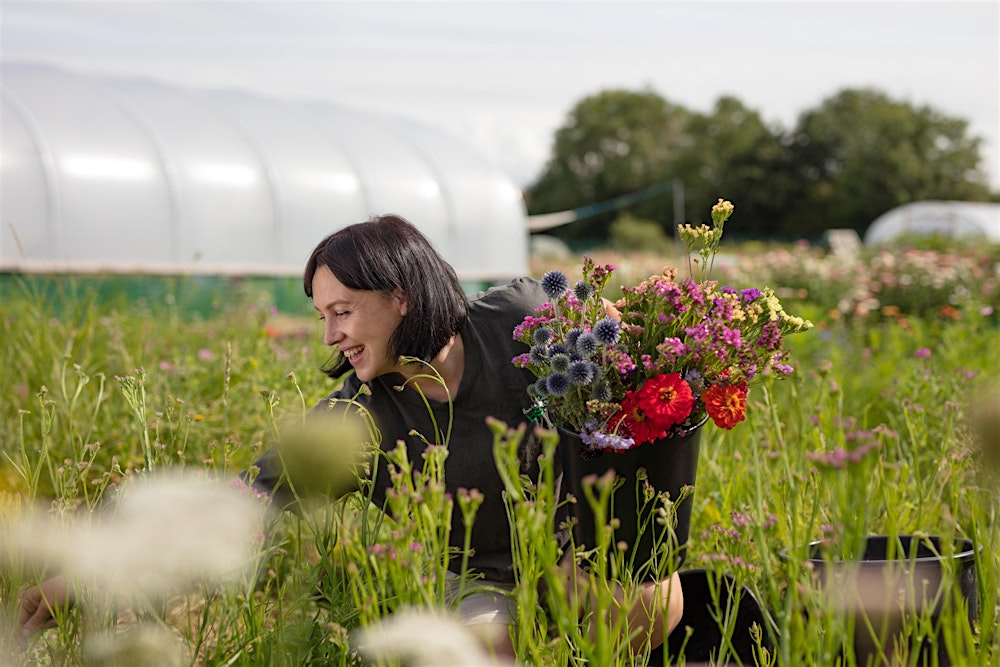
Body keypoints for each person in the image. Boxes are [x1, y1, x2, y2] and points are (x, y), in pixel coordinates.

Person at [16, 214, 683, 658]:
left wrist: (675, 328)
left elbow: (630, 345)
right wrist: (79, 570)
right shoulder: (358, 419)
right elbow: (243, 497)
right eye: (320, 315)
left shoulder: (517, 319)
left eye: (342, 311)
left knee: (643, 605)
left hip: (592, 558)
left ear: (400, 295)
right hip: (486, 581)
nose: (330, 334)